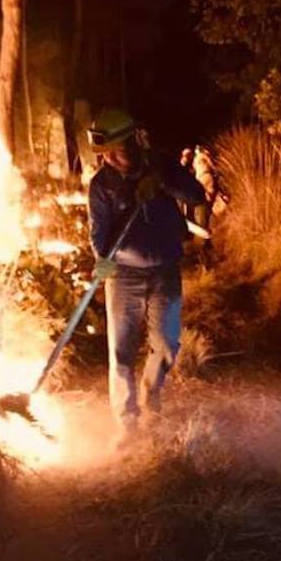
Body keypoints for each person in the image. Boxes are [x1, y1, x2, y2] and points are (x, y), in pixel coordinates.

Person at [87, 107, 206, 445]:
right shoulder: (101, 185)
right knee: (121, 353)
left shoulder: (161, 165)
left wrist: (163, 183)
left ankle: (151, 400)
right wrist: (103, 259)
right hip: (123, 275)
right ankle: (128, 424)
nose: (110, 157)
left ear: (133, 141)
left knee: (167, 344)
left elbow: (196, 195)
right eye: (104, 152)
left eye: (116, 149)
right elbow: (99, 232)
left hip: (165, 270)